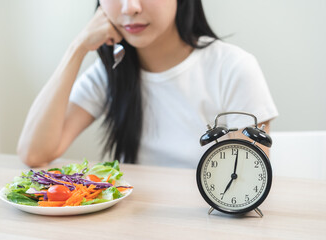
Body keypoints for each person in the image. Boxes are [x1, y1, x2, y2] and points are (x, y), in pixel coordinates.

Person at [17, 0, 278, 168]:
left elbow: (244, 180)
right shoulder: (111, 72)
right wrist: (77, 48)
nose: (130, 7)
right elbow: (34, 153)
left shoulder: (233, 67)